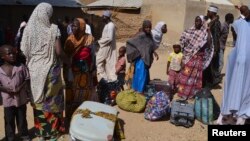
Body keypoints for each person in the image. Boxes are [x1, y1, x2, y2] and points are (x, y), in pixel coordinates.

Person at [20, 3, 70, 140]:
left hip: (34, 71)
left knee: (38, 101)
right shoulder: (53, 29)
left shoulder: (28, 29)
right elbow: (59, 52)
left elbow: (24, 50)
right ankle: (53, 132)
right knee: (52, 102)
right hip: (51, 72)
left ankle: (42, 132)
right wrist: (68, 61)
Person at [216, 8, 250, 125]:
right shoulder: (235, 54)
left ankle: (235, 117)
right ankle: (232, 117)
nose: (233, 33)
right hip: (234, 107)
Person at [64, 18, 95, 120]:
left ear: (82, 27)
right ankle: (70, 118)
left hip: (85, 74)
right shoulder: (69, 40)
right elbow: (66, 58)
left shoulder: (89, 39)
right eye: (72, 25)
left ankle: (83, 117)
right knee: (71, 95)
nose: (73, 27)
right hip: (72, 73)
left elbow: (93, 56)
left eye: (76, 26)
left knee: (84, 95)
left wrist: (92, 70)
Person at [177, 15, 213, 99]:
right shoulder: (188, 31)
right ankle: (182, 93)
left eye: (199, 21)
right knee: (185, 76)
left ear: (202, 22)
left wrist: (208, 30)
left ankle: (193, 94)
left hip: (198, 58)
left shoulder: (204, 33)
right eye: (196, 21)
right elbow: (182, 43)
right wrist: (182, 57)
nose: (197, 22)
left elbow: (209, 43)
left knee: (195, 78)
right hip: (188, 57)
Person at [0, 45, 31, 141]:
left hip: (20, 98)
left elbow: (27, 79)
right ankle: (10, 137)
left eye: (13, 53)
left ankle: (24, 135)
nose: (12, 55)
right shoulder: (0, 70)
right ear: (2, 56)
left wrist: (20, 88)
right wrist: (7, 90)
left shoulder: (20, 67)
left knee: (22, 118)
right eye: (9, 54)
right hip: (7, 99)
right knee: (9, 120)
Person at [126, 20, 155, 93]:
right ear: (143, 27)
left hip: (146, 58)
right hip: (141, 60)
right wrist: (138, 52)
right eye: (146, 27)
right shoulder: (141, 35)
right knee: (140, 76)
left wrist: (153, 52)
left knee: (144, 76)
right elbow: (130, 42)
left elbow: (149, 46)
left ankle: (140, 90)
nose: (148, 29)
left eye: (149, 27)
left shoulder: (150, 35)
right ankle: (139, 91)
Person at [96, 10, 117, 82]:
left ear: (107, 17)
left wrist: (99, 42)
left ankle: (104, 78)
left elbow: (109, 38)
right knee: (103, 63)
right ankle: (105, 78)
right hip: (104, 45)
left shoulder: (111, 25)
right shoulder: (107, 25)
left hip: (106, 46)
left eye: (103, 16)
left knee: (98, 61)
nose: (102, 18)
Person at [203, 5, 221, 88]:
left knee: (212, 66)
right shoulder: (211, 21)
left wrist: (215, 50)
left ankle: (213, 83)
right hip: (208, 47)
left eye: (208, 11)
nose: (207, 13)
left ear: (212, 13)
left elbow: (217, 37)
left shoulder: (217, 23)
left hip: (213, 47)